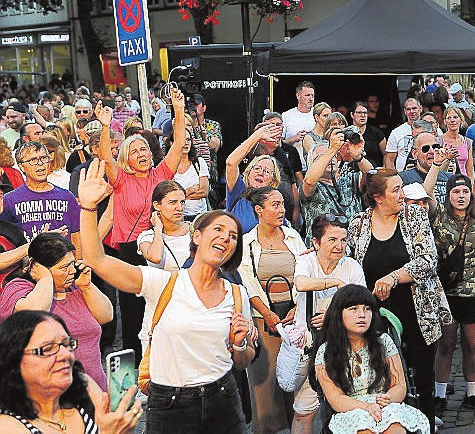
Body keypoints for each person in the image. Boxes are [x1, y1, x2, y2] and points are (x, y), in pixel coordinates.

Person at [78, 159, 256, 433]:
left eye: (233, 236)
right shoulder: (163, 284)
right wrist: (88, 207)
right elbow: (96, 259)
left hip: (224, 398)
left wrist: (241, 344)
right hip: (171, 403)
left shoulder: (237, 294)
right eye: (218, 230)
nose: (225, 238)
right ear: (196, 236)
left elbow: (242, 361)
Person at [348, 168, 450, 432]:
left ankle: (426, 426)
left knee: (423, 377)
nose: (402, 194)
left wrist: (393, 278)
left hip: (417, 310)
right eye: (396, 190)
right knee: (382, 380)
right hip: (373, 314)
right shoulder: (358, 224)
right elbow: (350, 266)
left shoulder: (414, 216)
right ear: (379, 197)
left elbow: (428, 260)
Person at [96, 86, 186, 361]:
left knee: (165, 305)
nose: (141, 153)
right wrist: (104, 126)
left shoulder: (161, 173)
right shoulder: (120, 179)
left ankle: (168, 358)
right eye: (134, 150)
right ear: (127, 158)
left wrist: (179, 110)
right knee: (134, 315)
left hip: (162, 244)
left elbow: (180, 145)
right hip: (129, 250)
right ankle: (138, 366)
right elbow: (105, 157)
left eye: (144, 148)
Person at [0, 310, 143, 434]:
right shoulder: (7, 426)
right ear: (14, 360)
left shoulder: (83, 385)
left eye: (66, 344)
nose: (65, 355)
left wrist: (124, 425)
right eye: (48, 349)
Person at [313, 284, 431, 434]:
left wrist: (387, 399)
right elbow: (336, 399)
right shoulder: (326, 352)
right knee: (364, 430)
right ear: (338, 314)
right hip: (350, 409)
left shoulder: (384, 341)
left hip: (386, 404)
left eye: (367, 309)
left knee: (394, 427)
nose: (362, 315)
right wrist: (367, 407)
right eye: (353, 309)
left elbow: (400, 386)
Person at [0, 233, 113, 390]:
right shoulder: (18, 288)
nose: (72, 271)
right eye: (64, 267)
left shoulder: (76, 288)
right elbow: (34, 315)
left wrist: (87, 286)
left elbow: (106, 316)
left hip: (95, 392)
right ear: (39, 268)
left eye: (72, 264)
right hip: (50, 397)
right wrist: (45, 279)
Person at [234, 186, 305, 434]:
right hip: (263, 317)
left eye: (283, 204)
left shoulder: (293, 237)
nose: (282, 209)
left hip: (295, 316)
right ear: (259, 211)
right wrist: (267, 314)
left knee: (295, 378)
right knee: (266, 382)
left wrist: (297, 307)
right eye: (275, 205)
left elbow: (304, 272)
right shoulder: (246, 242)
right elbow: (248, 281)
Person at [424, 161, 475, 416]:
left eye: (464, 192)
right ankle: (440, 394)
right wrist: (437, 166)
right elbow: (425, 192)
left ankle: (472, 392)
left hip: (474, 292)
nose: (461, 196)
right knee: (446, 345)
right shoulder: (438, 216)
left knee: (473, 345)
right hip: (447, 291)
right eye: (456, 192)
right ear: (448, 195)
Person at [290, 214, 367, 433]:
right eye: (332, 240)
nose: (339, 246)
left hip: (344, 347)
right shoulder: (306, 261)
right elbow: (301, 283)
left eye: (343, 240)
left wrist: (333, 317)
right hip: (309, 345)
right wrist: (335, 282)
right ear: (315, 242)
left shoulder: (353, 267)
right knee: (304, 411)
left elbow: (362, 306)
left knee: (347, 410)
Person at [1, 141, 81, 246]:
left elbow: (77, 234)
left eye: (44, 158)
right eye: (33, 160)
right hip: (27, 260)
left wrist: (78, 260)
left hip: (64, 259)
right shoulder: (9, 200)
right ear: (21, 166)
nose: (40, 163)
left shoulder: (67, 196)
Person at [302, 126, 372, 244]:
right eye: (321, 157)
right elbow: (309, 181)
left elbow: (372, 177)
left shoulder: (349, 179)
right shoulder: (309, 186)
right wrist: (332, 150)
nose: (330, 159)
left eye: (333, 156)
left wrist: (358, 157)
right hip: (322, 249)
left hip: (354, 248)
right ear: (311, 165)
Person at [225, 124, 282, 234]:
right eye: (257, 169)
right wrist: (257, 135)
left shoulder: (276, 204)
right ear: (248, 173)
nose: (260, 173)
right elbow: (231, 163)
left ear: (273, 181)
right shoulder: (238, 191)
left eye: (266, 171)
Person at [168, 129, 208, 221]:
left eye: (188, 140)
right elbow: (168, 197)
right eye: (182, 140)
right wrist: (190, 190)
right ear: (172, 143)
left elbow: (204, 192)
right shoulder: (168, 167)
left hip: (200, 216)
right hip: (177, 218)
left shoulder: (199, 163)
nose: (186, 143)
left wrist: (180, 197)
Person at [282, 81, 316, 169]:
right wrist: (294, 138)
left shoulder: (319, 114)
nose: (311, 98)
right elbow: (279, 144)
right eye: (307, 95)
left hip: (315, 166)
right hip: (293, 167)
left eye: (312, 95)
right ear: (298, 96)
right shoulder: (286, 116)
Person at [385, 98, 422, 171]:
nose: (411, 111)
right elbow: (389, 160)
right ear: (405, 112)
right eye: (408, 109)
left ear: (420, 108)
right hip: (402, 176)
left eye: (414, 108)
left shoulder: (430, 129)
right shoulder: (396, 132)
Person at [440, 107, 474, 177]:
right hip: (444, 181)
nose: (452, 120)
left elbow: (470, 170)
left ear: (461, 120)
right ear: (445, 121)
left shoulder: (468, 142)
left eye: (455, 117)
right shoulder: (438, 141)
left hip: (463, 181)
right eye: (449, 118)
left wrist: (472, 186)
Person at [351, 101, 386, 169]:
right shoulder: (346, 133)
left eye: (365, 113)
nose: (363, 115)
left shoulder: (377, 133)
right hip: (352, 174)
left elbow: (386, 155)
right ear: (352, 115)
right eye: (359, 112)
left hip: (373, 173)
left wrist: (384, 169)